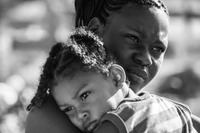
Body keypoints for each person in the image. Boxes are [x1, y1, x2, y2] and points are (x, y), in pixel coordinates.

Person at [25, 0, 200, 133]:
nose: (146, 59)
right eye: (133, 38)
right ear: (94, 31)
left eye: (158, 49)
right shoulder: (49, 113)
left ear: (117, 77)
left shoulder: (164, 110)